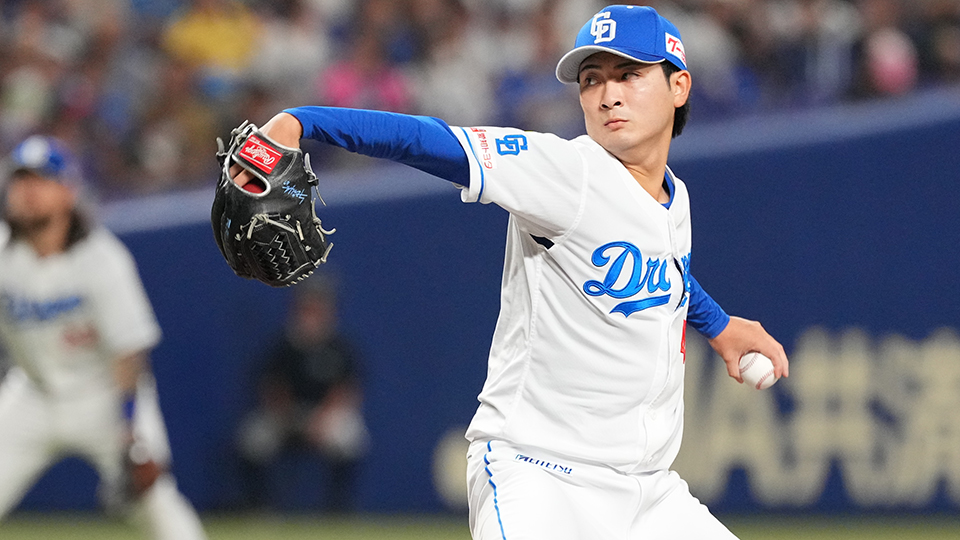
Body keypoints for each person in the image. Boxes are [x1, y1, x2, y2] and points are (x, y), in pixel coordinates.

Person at [229, 5, 788, 538]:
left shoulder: (674, 196)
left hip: (649, 492)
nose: (608, 94)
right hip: (542, 477)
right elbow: (430, 140)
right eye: (592, 79)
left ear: (679, 86)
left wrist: (718, 324)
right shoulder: (566, 171)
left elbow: (664, 271)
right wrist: (301, 121)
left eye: (630, 74)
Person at [0, 135, 207, 540]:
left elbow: (129, 351)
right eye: (20, 180)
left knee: (156, 503)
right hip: (32, 394)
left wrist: (131, 432)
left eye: (40, 180)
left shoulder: (102, 259)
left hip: (104, 396)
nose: (27, 192)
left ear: (68, 191)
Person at [235, 276, 368, 513]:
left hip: (325, 416)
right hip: (288, 416)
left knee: (351, 437)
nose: (312, 314)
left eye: (319, 307)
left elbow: (347, 391)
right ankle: (258, 507)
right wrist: (289, 419)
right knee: (253, 437)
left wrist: (321, 421)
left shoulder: (339, 347)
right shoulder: (283, 346)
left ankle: (338, 510)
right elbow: (271, 388)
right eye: (307, 307)